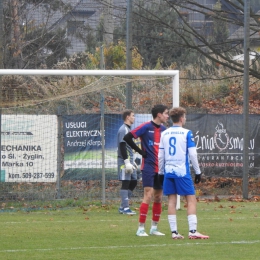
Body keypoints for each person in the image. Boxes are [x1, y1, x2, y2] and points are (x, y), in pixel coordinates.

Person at [158, 107, 209, 239]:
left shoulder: (164, 133)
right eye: (185, 117)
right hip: (182, 171)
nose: (185, 119)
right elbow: (192, 153)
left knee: (171, 201)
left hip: (168, 171)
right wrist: (198, 172)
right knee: (191, 200)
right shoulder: (187, 133)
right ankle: (192, 231)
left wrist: (160, 172)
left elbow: (161, 156)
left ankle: (174, 233)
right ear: (181, 119)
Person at [124, 104, 169, 236]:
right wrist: (141, 152)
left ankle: (154, 228)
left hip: (161, 168)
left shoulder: (164, 130)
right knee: (148, 195)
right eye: (166, 113)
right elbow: (128, 138)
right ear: (159, 114)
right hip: (148, 167)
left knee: (159, 197)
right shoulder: (146, 127)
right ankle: (140, 228)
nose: (167, 116)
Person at [117, 109, 137, 215]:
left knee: (133, 181)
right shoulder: (123, 129)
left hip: (129, 161)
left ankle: (122, 206)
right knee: (125, 183)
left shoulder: (128, 129)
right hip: (124, 162)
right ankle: (125, 208)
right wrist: (126, 161)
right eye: (133, 116)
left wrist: (132, 162)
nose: (134, 117)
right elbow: (122, 145)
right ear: (128, 117)